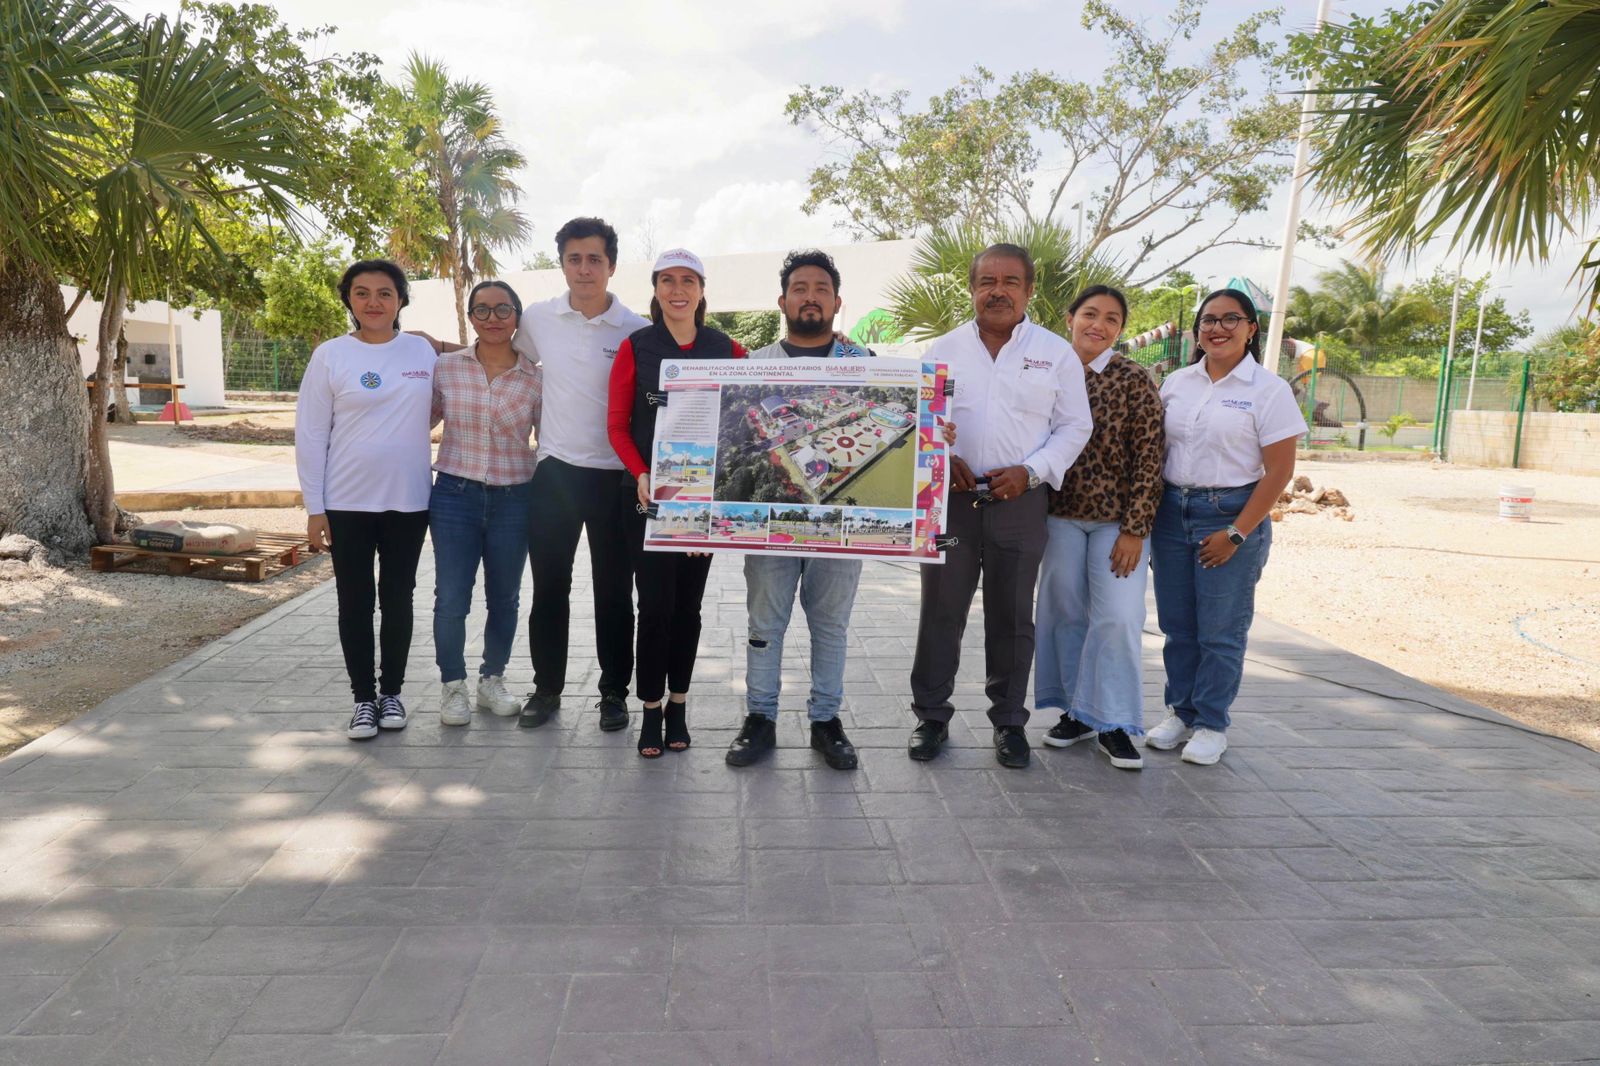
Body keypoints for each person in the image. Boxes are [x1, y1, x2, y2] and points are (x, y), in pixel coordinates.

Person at [416, 218, 646, 733]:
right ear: (561, 262)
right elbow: (495, 347)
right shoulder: (540, 319)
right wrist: (431, 344)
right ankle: (547, 690)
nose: (584, 269)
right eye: (573, 258)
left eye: (594, 259)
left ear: (611, 265)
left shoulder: (634, 328)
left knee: (613, 592)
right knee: (549, 591)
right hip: (555, 476)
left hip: (614, 478)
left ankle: (613, 694)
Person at [908, 244, 1093, 769]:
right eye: (987, 281)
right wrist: (945, 454)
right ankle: (931, 716)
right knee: (941, 610)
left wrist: (1030, 471)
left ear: (1030, 291)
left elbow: (1075, 426)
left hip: (1021, 502)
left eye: (1011, 281)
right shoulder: (940, 352)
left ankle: (1010, 721)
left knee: (1013, 616)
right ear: (971, 289)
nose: (998, 291)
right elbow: (921, 422)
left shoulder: (1055, 353)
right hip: (951, 502)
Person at [1145, 288, 1307, 765]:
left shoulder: (1268, 390)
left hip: (1230, 513)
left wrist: (1237, 533)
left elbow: (1279, 471)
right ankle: (1182, 712)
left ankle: (1212, 723)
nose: (1217, 328)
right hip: (1172, 513)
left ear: (1251, 329)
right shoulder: (1176, 382)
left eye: (1230, 319)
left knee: (1221, 629)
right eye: (1208, 320)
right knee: (1178, 627)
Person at [724, 249, 870, 771]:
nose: (811, 297)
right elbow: (733, 441)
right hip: (772, 520)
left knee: (830, 624)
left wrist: (933, 434)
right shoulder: (754, 366)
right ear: (782, 300)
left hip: (840, 521)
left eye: (821, 289)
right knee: (765, 619)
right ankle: (759, 718)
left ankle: (826, 721)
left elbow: (908, 425)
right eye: (801, 288)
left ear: (836, 301)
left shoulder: (866, 365)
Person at [607, 248, 746, 757]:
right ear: (656, 289)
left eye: (688, 280)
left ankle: (679, 705)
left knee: (688, 608)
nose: (677, 289)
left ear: (703, 290)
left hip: (703, 505)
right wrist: (641, 472)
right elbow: (618, 426)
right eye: (667, 280)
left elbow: (744, 430)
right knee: (655, 607)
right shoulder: (636, 347)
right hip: (646, 500)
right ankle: (649, 710)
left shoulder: (728, 351)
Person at [296, 260, 436, 740]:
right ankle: (362, 699)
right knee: (354, 601)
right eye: (362, 293)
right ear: (348, 300)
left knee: (399, 598)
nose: (373, 302)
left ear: (400, 299)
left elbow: (468, 371)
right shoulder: (331, 355)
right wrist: (315, 507)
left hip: (410, 501)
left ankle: (392, 692)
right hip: (347, 501)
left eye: (384, 292)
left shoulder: (422, 351)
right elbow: (311, 434)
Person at [1033, 285, 1164, 771]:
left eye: (1111, 319)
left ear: (1121, 329)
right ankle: (1077, 713)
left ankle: (1115, 722)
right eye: (1090, 313)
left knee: (1118, 617)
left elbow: (1151, 458)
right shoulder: (1046, 371)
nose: (1099, 325)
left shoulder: (1135, 378)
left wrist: (1135, 528)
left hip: (1117, 524)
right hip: (1058, 517)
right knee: (1065, 613)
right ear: (1070, 317)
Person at [429, 280, 542, 726]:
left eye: (503, 309)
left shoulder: (535, 376)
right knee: (451, 598)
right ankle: (452, 686)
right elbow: (416, 420)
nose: (493, 318)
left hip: (516, 498)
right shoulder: (445, 368)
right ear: (471, 316)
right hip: (454, 496)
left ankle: (491, 679)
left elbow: (547, 439)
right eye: (482, 310)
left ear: (517, 315)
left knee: (505, 598)